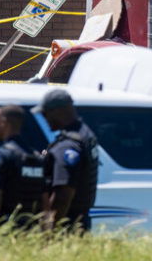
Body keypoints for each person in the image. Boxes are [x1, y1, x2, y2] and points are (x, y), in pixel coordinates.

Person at [38, 89, 99, 233]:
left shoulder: (68, 145)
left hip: (67, 226)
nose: (44, 119)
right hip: (79, 221)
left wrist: (50, 232)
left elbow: (63, 195)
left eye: (45, 114)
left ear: (58, 112)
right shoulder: (85, 134)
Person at [0, 105, 47, 231]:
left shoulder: (1, 156)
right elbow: (45, 200)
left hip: (8, 228)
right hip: (32, 230)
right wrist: (46, 232)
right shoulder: (36, 157)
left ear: (3, 122)